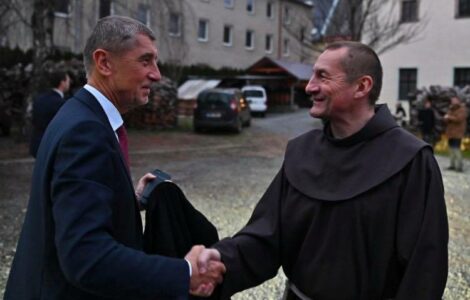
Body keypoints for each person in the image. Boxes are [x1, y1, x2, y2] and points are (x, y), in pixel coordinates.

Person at [198, 41, 449, 299]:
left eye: (323, 76)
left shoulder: (411, 161)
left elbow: (425, 271)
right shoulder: (301, 152)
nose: (309, 87)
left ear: (362, 86)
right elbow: (266, 236)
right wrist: (221, 257)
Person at [5, 15, 224, 300]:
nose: (157, 74)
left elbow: (68, 208)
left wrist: (127, 200)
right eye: (145, 61)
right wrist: (185, 272)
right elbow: (85, 258)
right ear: (104, 63)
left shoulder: (78, 115)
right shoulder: (85, 132)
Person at [29, 70, 71, 157]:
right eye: (68, 80)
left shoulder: (39, 99)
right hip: (53, 147)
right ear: (62, 82)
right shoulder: (61, 103)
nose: (69, 83)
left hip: (37, 144)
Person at [444, 95, 468, 172]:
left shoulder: (462, 109)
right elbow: (447, 120)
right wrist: (446, 118)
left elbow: (459, 119)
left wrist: (449, 117)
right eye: (452, 100)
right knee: (451, 149)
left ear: (458, 100)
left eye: (454, 100)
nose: (453, 101)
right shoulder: (451, 109)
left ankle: (459, 166)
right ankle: (452, 165)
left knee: (456, 149)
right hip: (450, 132)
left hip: (458, 132)